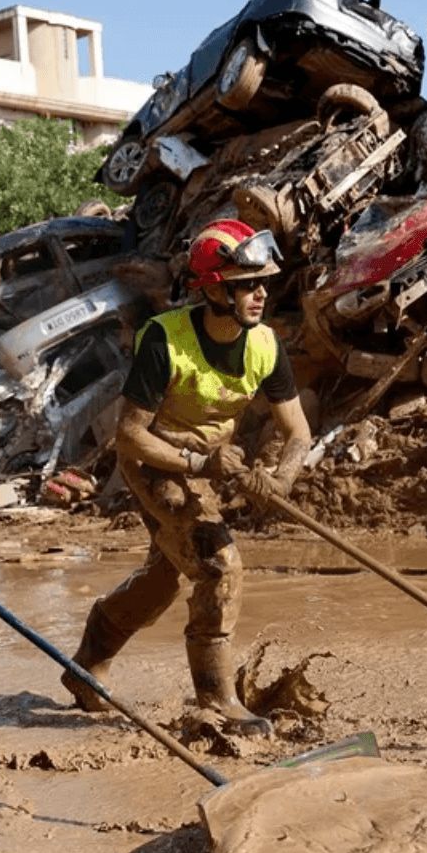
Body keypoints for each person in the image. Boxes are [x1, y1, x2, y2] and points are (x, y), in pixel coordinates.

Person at [62, 218, 311, 736]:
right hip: (156, 463)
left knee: (165, 577)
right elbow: (130, 436)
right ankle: (217, 701)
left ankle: (89, 661)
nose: (261, 294)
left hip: (209, 462)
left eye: (263, 283)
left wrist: (281, 479)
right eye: (247, 285)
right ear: (214, 290)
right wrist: (198, 464)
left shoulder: (265, 345)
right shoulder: (165, 339)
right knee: (219, 565)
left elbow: (298, 433)